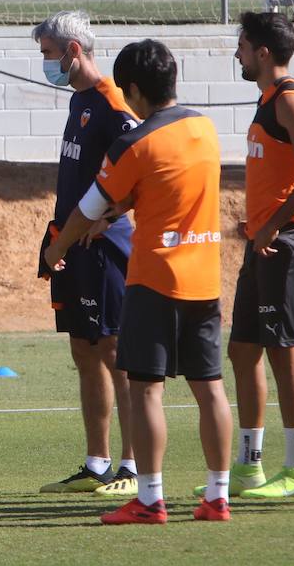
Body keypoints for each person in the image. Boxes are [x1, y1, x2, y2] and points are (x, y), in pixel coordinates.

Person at [44, 39, 233, 524]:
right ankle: (218, 496)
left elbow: (89, 207)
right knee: (209, 387)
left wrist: (57, 249)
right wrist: (125, 207)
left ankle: (149, 498)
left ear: (132, 89)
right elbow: (162, 188)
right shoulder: (205, 128)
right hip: (205, 278)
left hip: (154, 279)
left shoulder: (136, 141)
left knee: (148, 390)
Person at [218, 11, 294, 499]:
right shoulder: (267, 100)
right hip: (264, 240)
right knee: (243, 350)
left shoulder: (288, 100)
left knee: (283, 354)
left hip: (289, 239)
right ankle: (249, 465)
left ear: (263, 52)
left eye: (241, 46)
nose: (237, 54)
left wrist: (273, 224)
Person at [31, 10, 140, 497]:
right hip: (73, 245)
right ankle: (96, 462)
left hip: (106, 249)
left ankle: (132, 467)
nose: (46, 64)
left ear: (74, 52)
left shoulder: (113, 102)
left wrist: (109, 217)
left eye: (49, 55)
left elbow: (144, 167)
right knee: (84, 349)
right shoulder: (79, 102)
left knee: (116, 354)